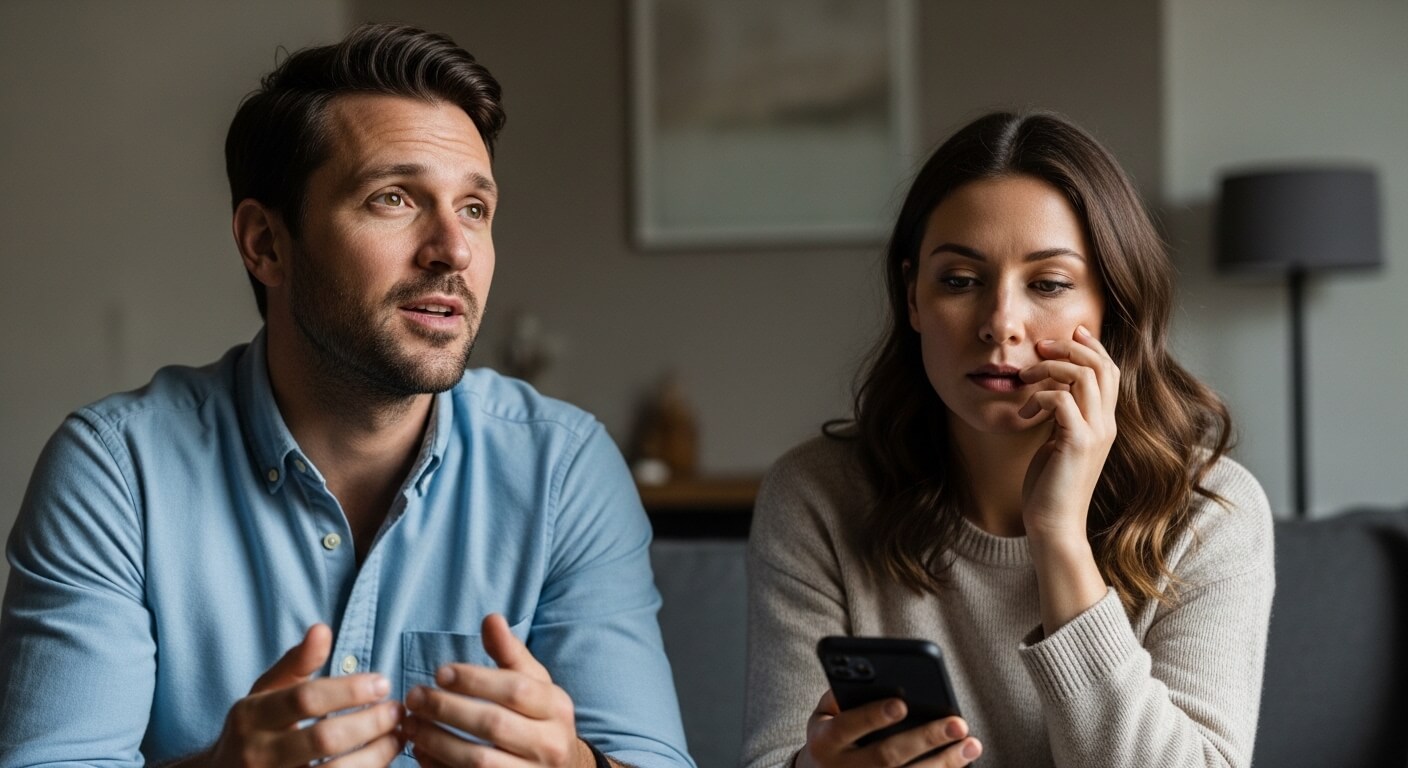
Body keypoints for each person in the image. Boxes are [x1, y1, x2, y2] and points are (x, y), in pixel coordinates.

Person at [0, 23, 693, 768]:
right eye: (394, 198)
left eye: (474, 209)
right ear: (266, 244)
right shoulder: (116, 472)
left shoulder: (564, 467)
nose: (453, 251)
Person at [741, 112, 1274, 768]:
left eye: (1048, 284)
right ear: (913, 298)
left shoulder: (1209, 509)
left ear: (1111, 306)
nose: (1000, 324)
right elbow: (774, 758)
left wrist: (1059, 538)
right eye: (960, 282)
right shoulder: (818, 495)